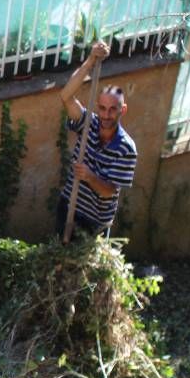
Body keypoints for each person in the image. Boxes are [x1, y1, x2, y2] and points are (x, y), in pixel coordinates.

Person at [56, 41, 139, 238]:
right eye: (102, 108)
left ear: (122, 110)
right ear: (97, 107)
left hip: (94, 222)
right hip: (69, 206)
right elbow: (66, 96)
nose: (106, 115)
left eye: (113, 110)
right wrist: (90, 61)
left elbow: (109, 191)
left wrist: (89, 176)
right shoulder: (89, 124)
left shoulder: (126, 148)